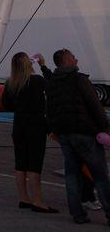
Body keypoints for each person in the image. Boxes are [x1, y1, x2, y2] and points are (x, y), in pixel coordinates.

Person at [46, 48, 110, 224]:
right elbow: (95, 105)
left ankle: (77, 213)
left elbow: (50, 109)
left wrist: (54, 129)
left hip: (65, 134)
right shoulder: (80, 80)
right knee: (100, 175)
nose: (76, 59)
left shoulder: (53, 83)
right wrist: (104, 128)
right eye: (73, 57)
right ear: (66, 60)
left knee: (72, 174)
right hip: (85, 133)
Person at [1, 52, 56, 213]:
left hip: (19, 125)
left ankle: (24, 198)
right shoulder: (37, 81)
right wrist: (43, 65)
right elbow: (54, 86)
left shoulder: (10, 83)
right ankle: (37, 201)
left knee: (20, 163)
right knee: (34, 164)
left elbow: (6, 105)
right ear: (29, 64)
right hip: (36, 125)